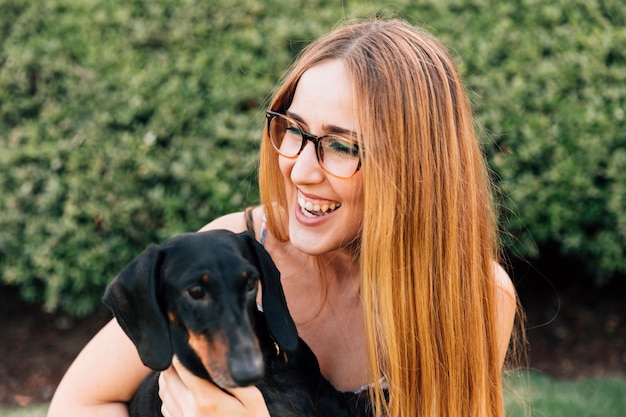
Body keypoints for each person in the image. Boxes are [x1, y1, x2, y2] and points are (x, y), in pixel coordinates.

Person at [48, 18, 520, 417]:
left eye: (342, 145)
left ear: (416, 167)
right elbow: (78, 403)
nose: (300, 168)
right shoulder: (231, 249)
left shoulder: (471, 296)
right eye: (293, 130)